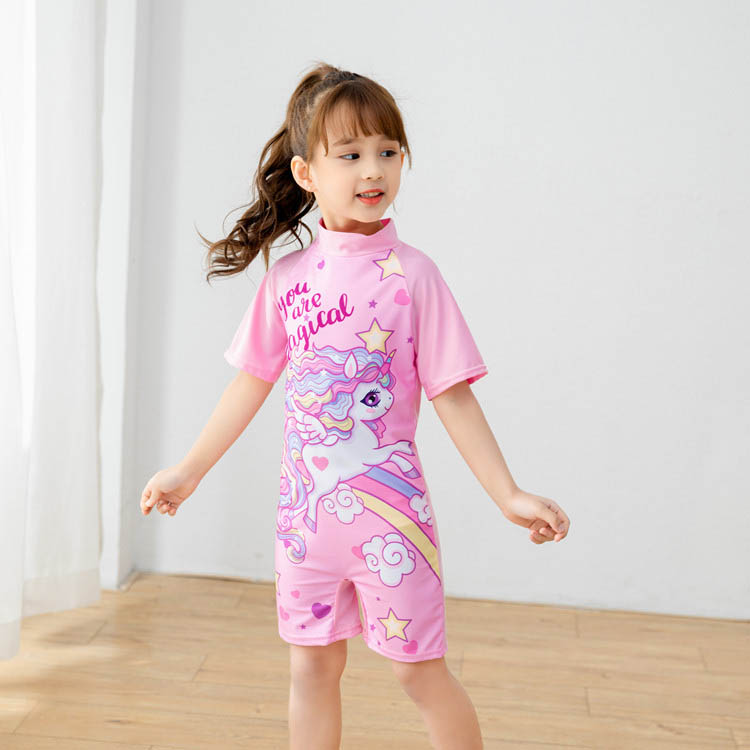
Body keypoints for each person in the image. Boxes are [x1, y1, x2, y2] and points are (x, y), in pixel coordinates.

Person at [139, 61, 570, 750]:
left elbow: (453, 395)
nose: (374, 170)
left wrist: (508, 494)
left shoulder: (415, 276)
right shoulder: (287, 281)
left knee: (418, 673)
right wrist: (188, 472)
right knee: (310, 669)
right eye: (351, 154)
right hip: (304, 525)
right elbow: (249, 385)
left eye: (388, 151)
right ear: (307, 172)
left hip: (390, 523)